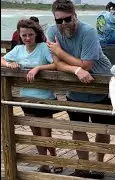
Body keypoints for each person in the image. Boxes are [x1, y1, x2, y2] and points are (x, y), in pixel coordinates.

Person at [46, 0, 115, 178]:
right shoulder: (52, 31)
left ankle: (99, 165)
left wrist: (61, 53)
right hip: (75, 88)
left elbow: (87, 64)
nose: (63, 24)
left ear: (74, 15)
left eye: (67, 19)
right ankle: (83, 166)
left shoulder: (88, 32)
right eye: (59, 20)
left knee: (102, 129)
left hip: (100, 85)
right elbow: (56, 64)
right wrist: (76, 70)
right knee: (78, 129)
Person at [1, 19, 62, 174]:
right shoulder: (18, 50)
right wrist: (9, 65)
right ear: (19, 36)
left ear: (36, 35)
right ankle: (44, 163)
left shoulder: (43, 48)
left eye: (30, 35)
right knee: (35, 131)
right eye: (24, 35)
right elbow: (2, 59)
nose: (27, 38)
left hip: (45, 98)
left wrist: (38, 68)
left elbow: (56, 65)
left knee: (45, 132)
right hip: (25, 97)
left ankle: (54, 160)